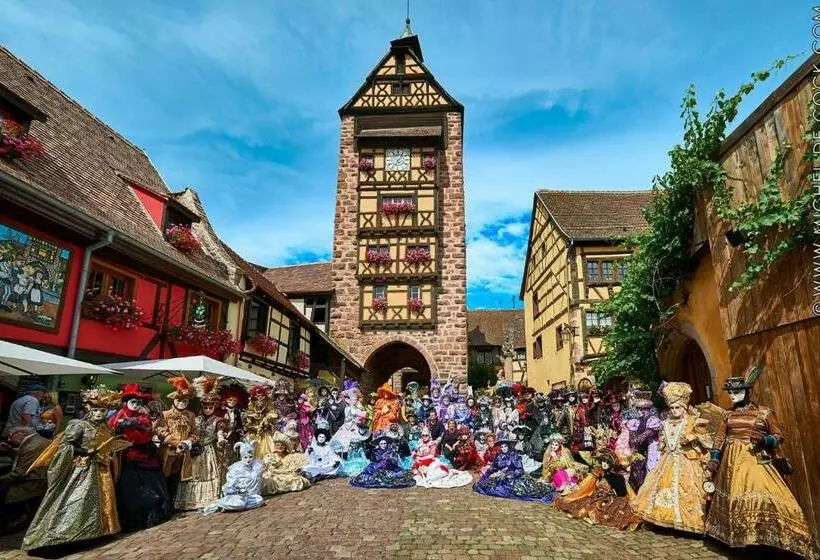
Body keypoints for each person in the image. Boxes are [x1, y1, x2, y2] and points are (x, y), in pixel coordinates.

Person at [704, 369, 817, 559]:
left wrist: (765, 441)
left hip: (756, 460)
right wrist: (714, 460)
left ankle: (774, 539)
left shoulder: (764, 413)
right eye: (730, 393)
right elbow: (719, 440)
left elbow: (779, 436)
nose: (732, 396)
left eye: (736, 392)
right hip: (731, 465)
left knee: (767, 495)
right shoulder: (726, 415)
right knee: (736, 497)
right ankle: (740, 542)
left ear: (747, 392)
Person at [22, 387, 128, 550]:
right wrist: (85, 451)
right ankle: (66, 535)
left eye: (102, 410)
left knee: (102, 500)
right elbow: (65, 445)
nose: (99, 414)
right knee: (76, 500)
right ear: (88, 409)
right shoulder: (79, 425)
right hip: (81, 469)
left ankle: (96, 532)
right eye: (96, 410)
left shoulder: (106, 428)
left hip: (101, 469)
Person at [631, 382, 712, 534]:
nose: (674, 411)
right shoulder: (665, 423)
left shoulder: (693, 422)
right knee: (660, 489)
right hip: (667, 462)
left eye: (678, 408)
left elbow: (708, 441)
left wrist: (692, 437)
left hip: (688, 463)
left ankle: (688, 523)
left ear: (684, 407)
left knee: (688, 493)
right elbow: (662, 444)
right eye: (672, 408)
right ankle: (665, 520)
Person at [108, 384, 171, 531]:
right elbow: (111, 430)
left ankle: (149, 517)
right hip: (124, 458)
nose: (136, 405)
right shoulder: (117, 416)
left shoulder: (143, 417)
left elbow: (146, 431)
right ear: (126, 403)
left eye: (138, 403)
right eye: (133, 402)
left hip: (144, 456)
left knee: (152, 488)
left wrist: (133, 424)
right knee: (127, 489)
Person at [175, 376, 225, 511]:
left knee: (207, 474)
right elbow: (191, 432)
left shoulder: (218, 420)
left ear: (214, 407)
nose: (208, 409)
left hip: (208, 450)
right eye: (205, 407)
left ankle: (208, 499)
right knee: (192, 474)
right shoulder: (195, 418)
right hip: (194, 450)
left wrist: (221, 439)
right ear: (202, 406)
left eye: (210, 407)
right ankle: (189, 501)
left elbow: (220, 431)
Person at [472, 436, 554, 503]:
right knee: (486, 486)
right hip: (503, 479)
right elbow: (493, 468)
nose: (504, 448)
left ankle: (547, 487)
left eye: (505, 446)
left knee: (526, 490)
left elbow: (520, 469)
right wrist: (485, 476)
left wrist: (512, 474)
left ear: (509, 447)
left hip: (515, 478)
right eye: (502, 447)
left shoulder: (514, 456)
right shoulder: (499, 456)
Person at [0, 426, 50, 534]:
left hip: (32, 482)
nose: (9, 439)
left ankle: (8, 521)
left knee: (2, 487)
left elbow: (18, 474)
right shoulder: (37, 440)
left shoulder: (32, 447)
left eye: (10, 436)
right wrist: (10, 451)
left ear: (21, 434)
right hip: (38, 477)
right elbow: (25, 456)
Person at [154, 376, 197, 502]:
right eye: (178, 401)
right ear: (173, 401)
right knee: (164, 479)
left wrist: (188, 442)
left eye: (184, 402)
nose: (181, 403)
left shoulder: (190, 415)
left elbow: (195, 432)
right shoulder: (165, 415)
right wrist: (177, 443)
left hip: (183, 454)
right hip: (168, 453)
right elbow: (161, 431)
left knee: (177, 480)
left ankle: (173, 505)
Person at [203, 441, 263, 515]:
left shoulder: (256, 467)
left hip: (251, 496)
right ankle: (220, 504)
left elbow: (257, 484)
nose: (248, 460)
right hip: (238, 496)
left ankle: (233, 507)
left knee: (259, 500)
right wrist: (238, 488)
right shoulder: (236, 469)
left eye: (250, 457)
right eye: (245, 457)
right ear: (241, 458)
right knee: (240, 504)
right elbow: (230, 485)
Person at [350, 435, 416, 489]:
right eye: (381, 444)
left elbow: (394, 461)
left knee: (399, 474)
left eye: (384, 443)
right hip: (378, 467)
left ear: (387, 444)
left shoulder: (391, 451)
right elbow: (375, 460)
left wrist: (389, 459)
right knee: (370, 473)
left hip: (389, 468)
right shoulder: (376, 451)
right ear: (379, 444)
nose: (383, 445)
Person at [260, 431, 310, 495]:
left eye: (282, 445)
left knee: (297, 479)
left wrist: (296, 470)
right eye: (278, 445)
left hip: (287, 475)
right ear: (275, 446)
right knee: (270, 481)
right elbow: (269, 470)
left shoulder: (289, 457)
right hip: (274, 475)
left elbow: (292, 469)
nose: (280, 447)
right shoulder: (269, 456)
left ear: (285, 447)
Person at [244, 384, 278, 459]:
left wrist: (267, 418)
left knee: (269, 448)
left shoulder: (268, 402)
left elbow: (273, 412)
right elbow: (249, 413)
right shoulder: (251, 403)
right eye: (257, 396)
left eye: (261, 396)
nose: (259, 398)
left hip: (265, 431)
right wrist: (251, 419)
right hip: (254, 431)